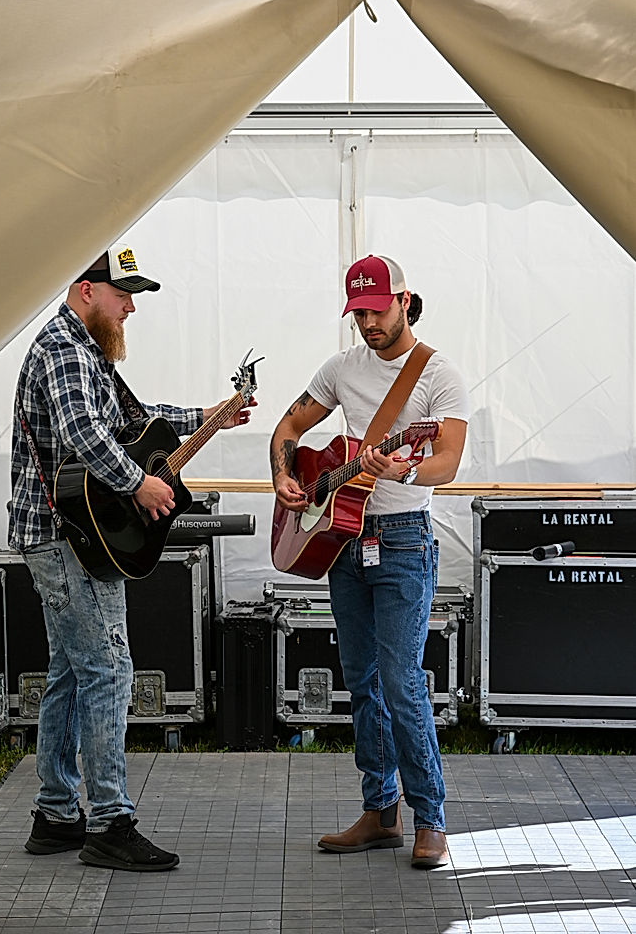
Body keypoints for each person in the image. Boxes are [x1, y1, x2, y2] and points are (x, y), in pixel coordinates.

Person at [9, 242, 254, 872]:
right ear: (87, 289)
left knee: (70, 673)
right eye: (123, 296)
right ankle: (110, 823)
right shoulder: (63, 348)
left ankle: (57, 814)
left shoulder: (86, 351)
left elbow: (137, 421)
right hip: (69, 541)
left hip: (64, 539)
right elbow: (82, 435)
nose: (129, 310)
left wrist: (210, 417)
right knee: (110, 672)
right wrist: (137, 484)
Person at [270, 253, 468, 869]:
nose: (367, 323)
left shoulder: (439, 375)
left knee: (402, 681)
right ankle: (381, 812)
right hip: (345, 540)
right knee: (359, 679)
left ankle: (429, 817)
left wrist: (406, 465)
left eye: (377, 310)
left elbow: (448, 463)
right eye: (357, 312)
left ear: (405, 300)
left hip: (405, 537)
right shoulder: (340, 368)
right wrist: (284, 476)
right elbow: (286, 429)